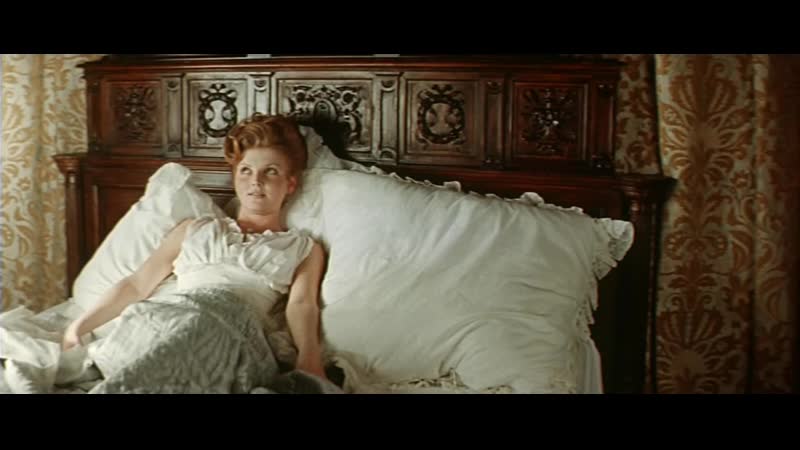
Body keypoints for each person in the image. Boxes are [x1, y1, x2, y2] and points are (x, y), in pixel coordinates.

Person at [61, 113, 330, 382]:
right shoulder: (194, 228)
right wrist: (79, 326)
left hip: (232, 332)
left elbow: (302, 305)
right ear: (235, 178)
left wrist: (310, 359)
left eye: (270, 171)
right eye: (246, 170)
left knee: (194, 336)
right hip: (174, 317)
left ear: (290, 184)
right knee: (152, 335)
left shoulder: (302, 247)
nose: (256, 181)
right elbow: (137, 285)